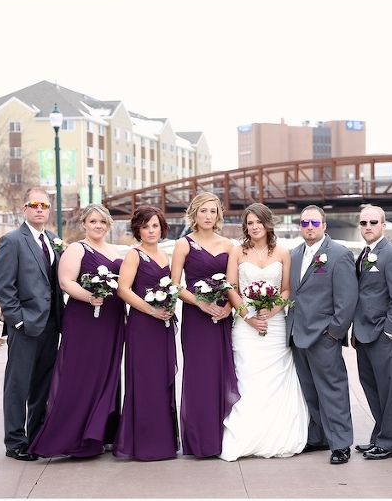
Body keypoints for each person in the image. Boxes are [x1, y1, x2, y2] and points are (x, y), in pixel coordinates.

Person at [28, 204, 125, 458]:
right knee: (80, 374)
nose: (98, 226)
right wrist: (90, 297)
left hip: (112, 320)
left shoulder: (115, 250)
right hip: (85, 320)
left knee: (107, 374)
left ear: (108, 225)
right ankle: (69, 437)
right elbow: (65, 282)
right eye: (93, 221)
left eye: (103, 222)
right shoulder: (77, 248)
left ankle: (101, 433)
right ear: (84, 223)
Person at [218, 203, 308, 461]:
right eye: (250, 223)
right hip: (246, 326)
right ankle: (245, 436)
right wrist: (247, 316)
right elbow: (231, 287)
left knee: (275, 379)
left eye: (259, 222)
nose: (254, 227)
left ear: (268, 224)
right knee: (247, 378)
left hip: (275, 324)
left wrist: (271, 311)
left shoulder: (283, 252)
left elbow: (287, 290)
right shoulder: (237, 251)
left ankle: (277, 435)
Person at [0, 187, 64, 461]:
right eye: (34, 204)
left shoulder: (53, 239)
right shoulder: (11, 241)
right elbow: (4, 286)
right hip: (25, 326)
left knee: (42, 385)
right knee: (18, 384)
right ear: (24, 208)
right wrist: (18, 321)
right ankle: (15, 442)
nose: (40, 209)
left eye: (44, 205)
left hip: (51, 324)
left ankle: (35, 436)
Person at [286, 205, 358, 465]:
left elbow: (348, 299)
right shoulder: (293, 254)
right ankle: (318, 437)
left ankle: (341, 444)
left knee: (333, 390)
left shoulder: (338, 254)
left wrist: (335, 332)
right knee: (310, 391)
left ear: (324, 226)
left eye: (314, 223)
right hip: (297, 335)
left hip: (324, 336)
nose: (309, 228)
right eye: (305, 223)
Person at [170, 193, 239, 458]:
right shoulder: (184, 244)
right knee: (199, 376)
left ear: (218, 215)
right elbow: (175, 284)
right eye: (203, 211)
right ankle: (199, 441)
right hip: (196, 319)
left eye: (213, 211)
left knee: (221, 373)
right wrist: (199, 302)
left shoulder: (229, 245)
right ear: (194, 214)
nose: (208, 216)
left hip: (221, 317)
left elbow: (233, 285)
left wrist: (228, 308)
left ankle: (221, 438)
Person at [113, 206, 179, 461]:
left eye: (155, 225)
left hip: (163, 325)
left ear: (161, 228)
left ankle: (163, 443)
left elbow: (172, 288)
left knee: (162, 381)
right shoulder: (134, 255)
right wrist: (152, 311)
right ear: (137, 229)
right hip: (143, 325)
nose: (151, 230)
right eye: (145, 226)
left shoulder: (165, 254)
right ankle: (143, 444)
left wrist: (169, 305)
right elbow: (124, 290)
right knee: (144, 382)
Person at [352, 205, 392, 460]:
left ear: (383, 225)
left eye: (373, 222)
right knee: (372, 389)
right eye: (363, 223)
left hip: (382, 335)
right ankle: (379, 436)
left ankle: (390, 443)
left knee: (388, 391)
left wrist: (390, 332)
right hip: (363, 334)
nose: (368, 227)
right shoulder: (363, 254)